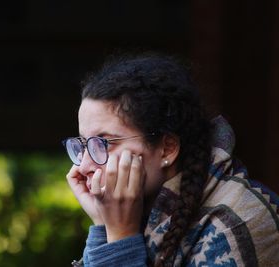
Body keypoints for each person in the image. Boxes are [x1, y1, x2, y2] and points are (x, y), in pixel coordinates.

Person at [62, 54, 279, 267]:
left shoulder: (238, 224)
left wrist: (121, 238)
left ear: (167, 149)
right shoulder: (143, 214)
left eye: (104, 143)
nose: (84, 166)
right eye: (83, 145)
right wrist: (103, 225)